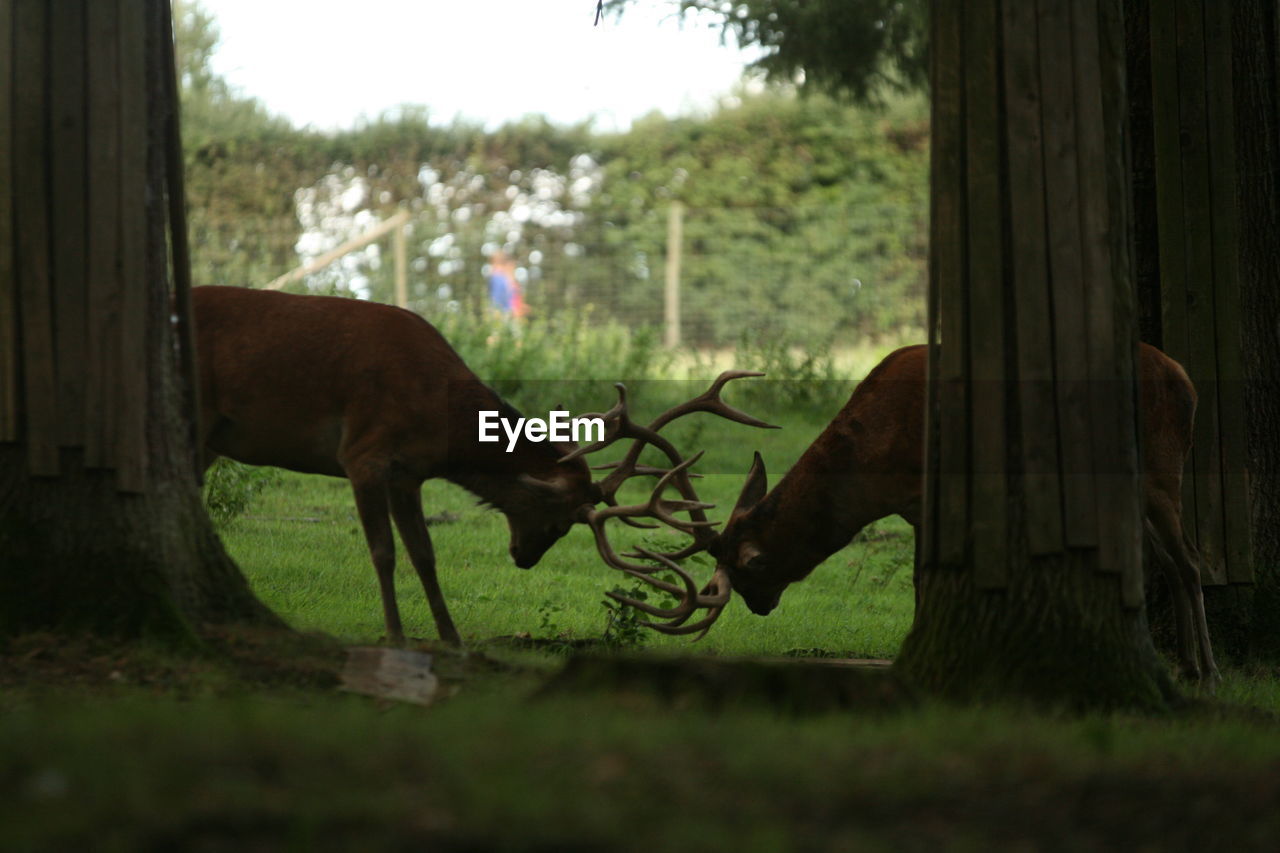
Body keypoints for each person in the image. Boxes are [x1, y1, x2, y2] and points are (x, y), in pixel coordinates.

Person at [487, 251, 514, 316]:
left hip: (498, 312)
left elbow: (496, 298)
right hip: (506, 311)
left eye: (492, 263)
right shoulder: (507, 277)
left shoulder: (497, 277)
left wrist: (494, 310)